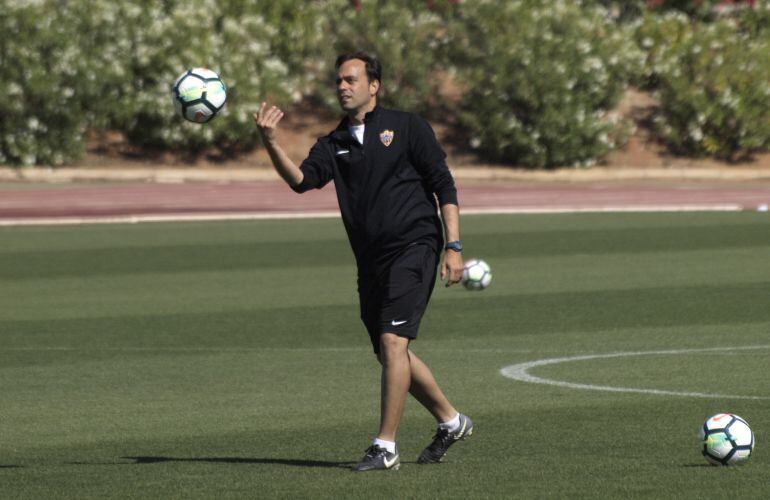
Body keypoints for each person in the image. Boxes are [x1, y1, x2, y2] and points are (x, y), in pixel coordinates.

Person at [253, 51, 473, 472]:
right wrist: (271, 142)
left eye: (351, 79)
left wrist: (454, 245)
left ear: (374, 86)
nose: (342, 86)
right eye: (339, 80)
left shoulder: (408, 127)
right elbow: (301, 182)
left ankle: (384, 447)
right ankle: (451, 420)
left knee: (394, 343)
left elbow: (443, 184)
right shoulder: (332, 144)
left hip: (415, 246)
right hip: (370, 261)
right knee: (391, 353)